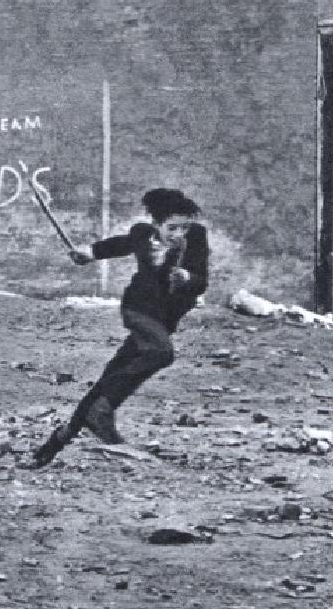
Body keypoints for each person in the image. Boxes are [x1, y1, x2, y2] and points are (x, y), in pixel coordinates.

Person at [31, 187, 209, 467]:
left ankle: (57, 442)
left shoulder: (195, 240)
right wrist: (88, 253)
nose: (179, 234)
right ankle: (102, 409)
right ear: (156, 225)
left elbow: (202, 279)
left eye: (184, 227)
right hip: (139, 310)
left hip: (166, 319)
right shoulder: (142, 234)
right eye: (172, 228)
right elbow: (119, 244)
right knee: (162, 353)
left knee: (111, 375)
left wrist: (187, 277)